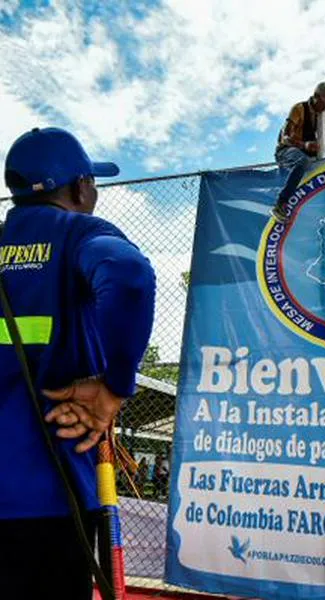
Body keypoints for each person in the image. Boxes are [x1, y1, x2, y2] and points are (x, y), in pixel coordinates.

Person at [0, 127, 156, 599]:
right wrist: (114, 386)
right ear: (80, 186)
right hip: (49, 498)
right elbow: (129, 279)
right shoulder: (79, 234)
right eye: (92, 182)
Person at [271, 81, 325, 223]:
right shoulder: (298, 109)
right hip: (286, 151)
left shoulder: (324, 115)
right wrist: (305, 145)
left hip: (306, 152)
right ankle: (280, 204)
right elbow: (284, 137)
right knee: (303, 161)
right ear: (316, 97)